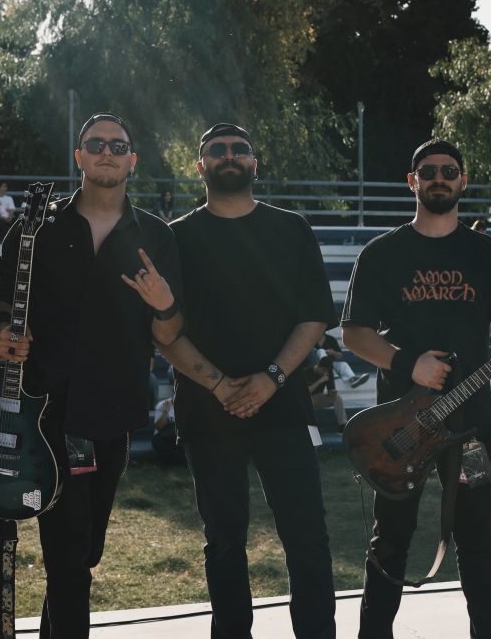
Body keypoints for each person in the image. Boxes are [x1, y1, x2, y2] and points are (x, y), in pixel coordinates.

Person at [0, 112, 184, 639]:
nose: (106, 153)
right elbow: (1, 302)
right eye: (96, 144)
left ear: (132, 160)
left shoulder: (156, 236)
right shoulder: (36, 228)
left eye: (118, 147)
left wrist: (164, 304)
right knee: (69, 556)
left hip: (113, 410)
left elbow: (169, 333)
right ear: (79, 156)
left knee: (85, 551)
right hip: (47, 410)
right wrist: (4, 331)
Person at [342, 138, 491, 639]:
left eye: (449, 171)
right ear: (413, 181)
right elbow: (354, 335)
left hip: (472, 431)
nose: (439, 178)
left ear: (463, 180)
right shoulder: (382, 254)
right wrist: (409, 363)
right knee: (391, 539)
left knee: (476, 537)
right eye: (428, 171)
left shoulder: (490, 254)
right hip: (401, 428)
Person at [158, 122, 337, 639]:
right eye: (218, 150)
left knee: (307, 539)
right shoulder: (175, 238)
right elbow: (164, 331)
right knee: (224, 542)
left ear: (255, 163)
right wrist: (219, 384)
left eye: (240, 149)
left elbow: (314, 317)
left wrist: (272, 378)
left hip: (283, 407)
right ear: (200, 166)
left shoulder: (291, 228)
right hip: (207, 410)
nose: (229, 155)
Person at [304, 360, 348, 431]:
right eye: (323, 370)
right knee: (309, 400)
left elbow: (331, 389)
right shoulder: (306, 372)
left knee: (337, 398)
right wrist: (320, 381)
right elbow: (305, 393)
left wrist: (332, 393)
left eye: (326, 371)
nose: (324, 372)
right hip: (306, 399)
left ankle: (343, 424)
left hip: (319, 397)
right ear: (318, 366)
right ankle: (308, 427)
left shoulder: (328, 373)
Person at [151, 393, 186, 465]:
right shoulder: (162, 405)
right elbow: (159, 427)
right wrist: (165, 412)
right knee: (157, 441)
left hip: (179, 436)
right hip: (164, 436)